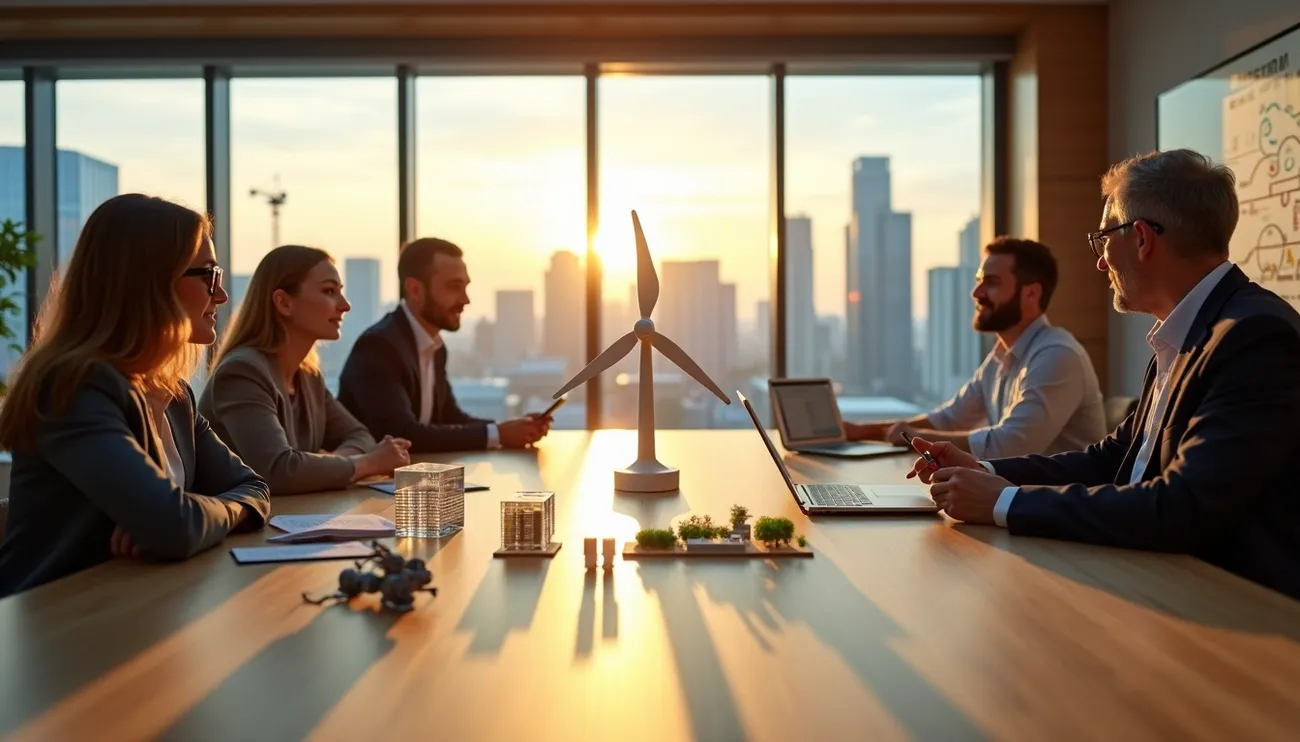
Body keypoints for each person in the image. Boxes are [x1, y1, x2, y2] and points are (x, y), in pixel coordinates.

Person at [910, 149, 1300, 600]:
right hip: (1159, 578)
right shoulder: (1185, 335)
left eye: (1102, 239)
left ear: (1141, 239)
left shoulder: (1252, 337)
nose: (1100, 263)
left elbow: (1184, 506)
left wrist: (1001, 501)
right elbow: (1114, 460)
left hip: (1233, 609)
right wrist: (984, 470)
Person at [0, 194, 272, 597]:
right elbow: (174, 526)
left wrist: (195, 512)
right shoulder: (72, 389)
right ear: (151, 282)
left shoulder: (172, 392)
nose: (221, 296)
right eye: (209, 276)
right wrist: (183, 516)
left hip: (136, 604)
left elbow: (254, 488)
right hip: (54, 627)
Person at [847, 237, 1107, 459]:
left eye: (991, 283)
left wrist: (913, 437)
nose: (976, 292)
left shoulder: (1057, 355)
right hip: (1018, 502)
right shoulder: (1001, 356)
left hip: (1055, 512)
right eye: (979, 280)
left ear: (1031, 293)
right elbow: (948, 420)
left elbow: (1010, 446)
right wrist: (858, 431)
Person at [200, 245, 411, 495]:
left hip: (288, 519)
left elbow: (360, 435)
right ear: (284, 302)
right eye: (329, 291)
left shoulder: (308, 376)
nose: (345, 305)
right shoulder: (242, 372)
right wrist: (368, 463)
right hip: (241, 532)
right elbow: (279, 471)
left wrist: (318, 465)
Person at [338, 237, 551, 453]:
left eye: (465, 287)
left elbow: (449, 418)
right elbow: (402, 434)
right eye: (454, 287)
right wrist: (498, 434)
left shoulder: (435, 347)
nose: (465, 300)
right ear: (415, 290)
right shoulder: (379, 347)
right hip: (367, 485)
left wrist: (512, 429)